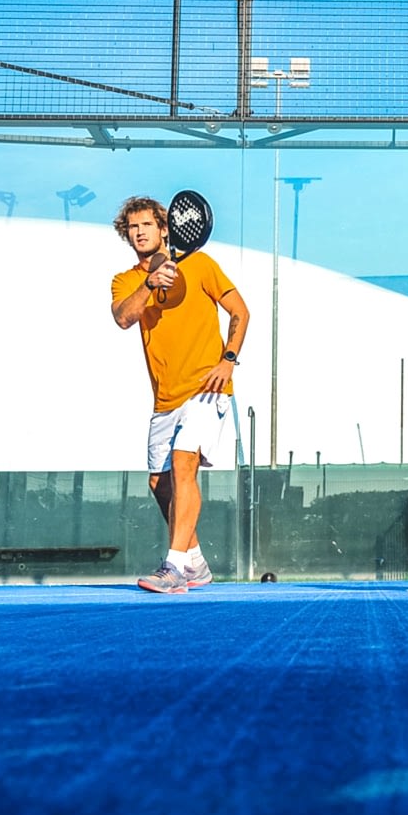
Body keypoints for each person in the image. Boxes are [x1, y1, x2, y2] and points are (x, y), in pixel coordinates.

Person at [111, 196, 249, 594]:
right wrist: (150, 283)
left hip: (207, 387)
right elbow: (124, 317)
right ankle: (195, 561)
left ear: (164, 229)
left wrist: (228, 361)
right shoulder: (125, 280)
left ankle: (173, 567)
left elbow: (240, 312)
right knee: (160, 484)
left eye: (147, 225)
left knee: (183, 464)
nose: (139, 232)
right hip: (165, 399)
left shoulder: (201, 265)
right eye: (133, 227)